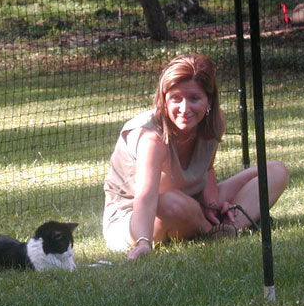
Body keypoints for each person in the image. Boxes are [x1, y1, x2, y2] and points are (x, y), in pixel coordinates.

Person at [102, 53, 290, 260]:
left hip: (193, 202)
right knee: (170, 203)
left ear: (209, 101)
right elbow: (146, 198)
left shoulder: (215, 122)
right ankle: (213, 232)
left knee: (275, 170)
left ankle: (228, 227)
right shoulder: (151, 137)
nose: (184, 109)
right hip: (138, 217)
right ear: (164, 99)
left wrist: (212, 203)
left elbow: (207, 169)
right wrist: (143, 242)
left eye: (194, 98)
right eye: (176, 98)